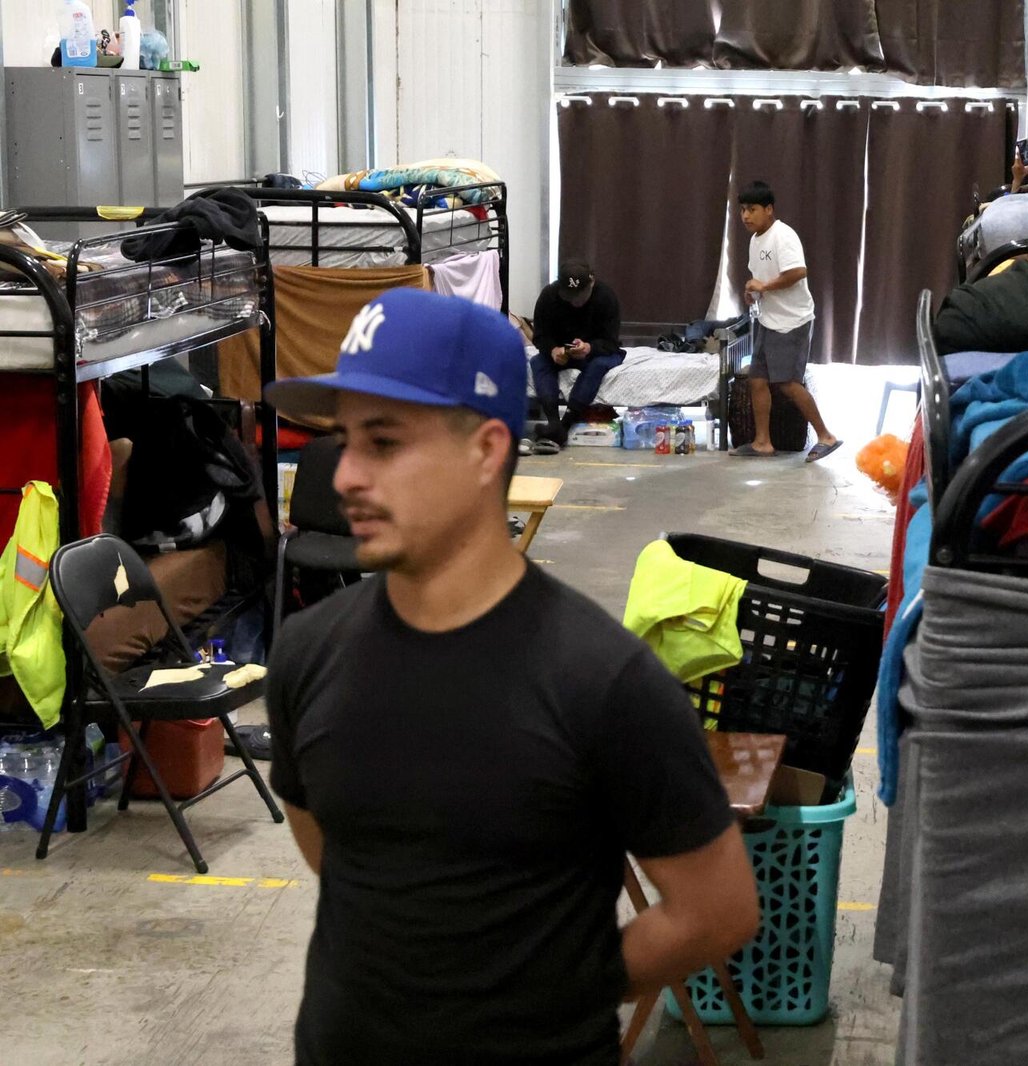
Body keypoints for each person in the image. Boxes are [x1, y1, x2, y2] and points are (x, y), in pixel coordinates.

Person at [261, 288, 760, 1066]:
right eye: (345, 440)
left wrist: (556, 992)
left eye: (384, 442)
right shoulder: (307, 652)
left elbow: (717, 909)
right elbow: (335, 855)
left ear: (487, 450)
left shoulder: (602, 683)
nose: (346, 475)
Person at [732, 180, 842, 462]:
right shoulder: (755, 241)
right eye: (743, 209)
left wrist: (764, 288)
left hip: (793, 321)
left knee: (788, 384)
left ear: (769, 209)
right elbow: (761, 280)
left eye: (752, 209)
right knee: (757, 380)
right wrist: (754, 295)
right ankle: (762, 442)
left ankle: (826, 436)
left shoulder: (783, 236)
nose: (746, 215)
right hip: (768, 320)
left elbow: (797, 272)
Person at [528, 259, 625, 453]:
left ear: (592, 283)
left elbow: (611, 342)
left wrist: (590, 347)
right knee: (539, 362)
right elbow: (539, 336)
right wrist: (553, 350)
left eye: (580, 295)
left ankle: (565, 424)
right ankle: (553, 421)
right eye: (570, 296)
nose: (576, 301)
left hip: (594, 351)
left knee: (597, 366)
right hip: (561, 351)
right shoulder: (549, 296)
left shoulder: (606, 298)